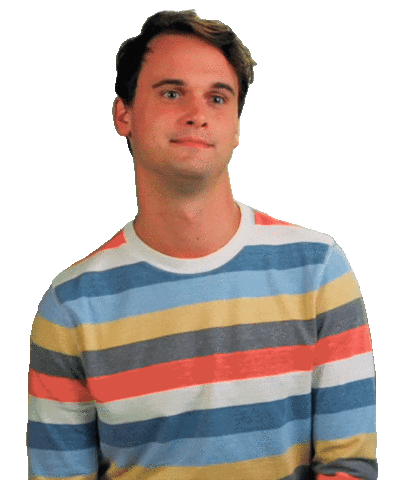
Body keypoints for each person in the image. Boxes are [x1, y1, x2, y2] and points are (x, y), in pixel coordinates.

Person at [27, 10, 377, 480]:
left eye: (217, 97)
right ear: (123, 114)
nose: (197, 114)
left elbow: (350, 467)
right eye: (172, 93)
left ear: (236, 126)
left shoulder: (318, 270)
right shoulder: (69, 306)